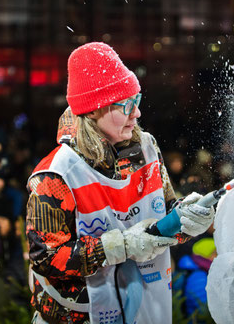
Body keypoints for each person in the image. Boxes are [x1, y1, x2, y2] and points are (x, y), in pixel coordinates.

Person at [26, 42, 215, 324]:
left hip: (146, 308)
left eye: (136, 100)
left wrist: (187, 219)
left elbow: (159, 224)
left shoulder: (147, 149)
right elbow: (47, 258)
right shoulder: (55, 175)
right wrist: (121, 246)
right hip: (79, 317)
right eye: (125, 105)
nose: (136, 113)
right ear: (92, 111)